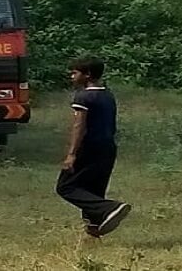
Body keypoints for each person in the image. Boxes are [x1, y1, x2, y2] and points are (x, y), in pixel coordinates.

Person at [56, 55, 131, 238]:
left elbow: (79, 126)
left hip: (88, 148)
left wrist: (72, 154)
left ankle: (110, 207)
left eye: (74, 73)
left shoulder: (83, 96)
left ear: (87, 74)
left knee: (65, 187)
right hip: (107, 147)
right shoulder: (107, 94)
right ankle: (93, 232)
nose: (72, 77)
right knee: (93, 191)